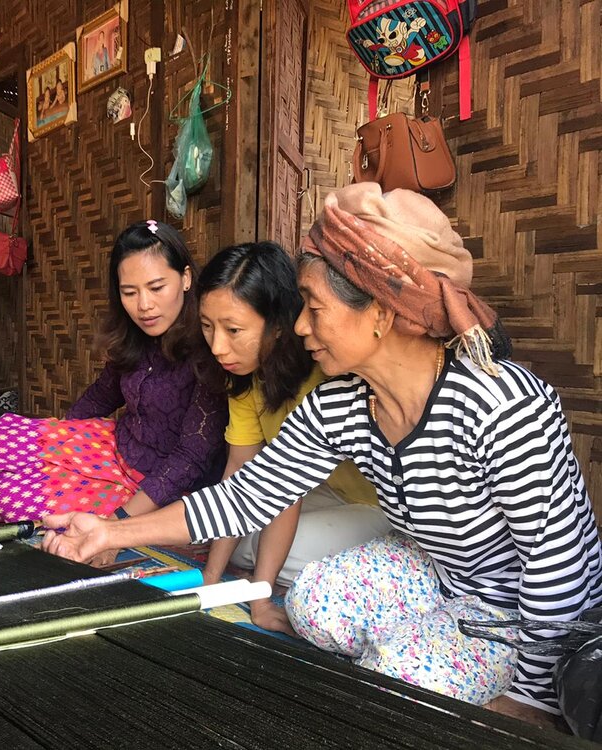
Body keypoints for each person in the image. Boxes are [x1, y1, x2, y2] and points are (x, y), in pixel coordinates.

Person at [42, 183, 602, 727]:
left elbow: (560, 568)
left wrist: (533, 699)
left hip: (513, 610)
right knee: (314, 604)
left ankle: (485, 670)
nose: (301, 327)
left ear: (382, 311)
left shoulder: (503, 404)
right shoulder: (344, 402)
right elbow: (246, 496)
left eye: (312, 307)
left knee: (388, 686)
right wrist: (109, 533)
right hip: (440, 569)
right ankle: (433, 639)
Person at [0, 220, 227, 531]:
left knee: (12, 500)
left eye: (157, 288)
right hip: (116, 449)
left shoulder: (211, 349)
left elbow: (191, 459)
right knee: (0, 440)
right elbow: (103, 394)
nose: (144, 305)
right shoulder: (135, 336)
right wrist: (57, 442)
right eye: (129, 292)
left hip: (163, 488)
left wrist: (119, 522)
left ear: (185, 278)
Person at [196, 242, 389, 633]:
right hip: (317, 493)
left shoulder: (326, 374)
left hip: (372, 505)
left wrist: (260, 598)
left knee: (272, 548)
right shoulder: (246, 379)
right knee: (244, 536)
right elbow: (239, 475)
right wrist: (208, 581)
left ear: (279, 324)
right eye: (207, 326)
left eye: (233, 330)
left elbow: (285, 491)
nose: (217, 346)